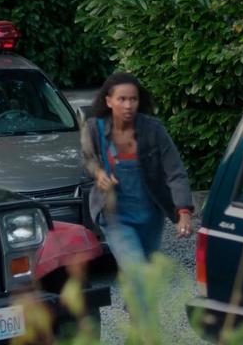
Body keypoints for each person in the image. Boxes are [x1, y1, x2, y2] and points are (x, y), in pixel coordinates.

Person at [81, 72, 194, 270]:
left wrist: (183, 210)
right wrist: (99, 174)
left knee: (145, 276)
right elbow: (87, 159)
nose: (128, 105)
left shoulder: (153, 130)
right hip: (114, 215)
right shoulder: (94, 129)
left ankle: (132, 302)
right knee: (137, 271)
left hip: (150, 216)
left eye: (133, 99)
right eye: (122, 99)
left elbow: (175, 171)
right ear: (108, 101)